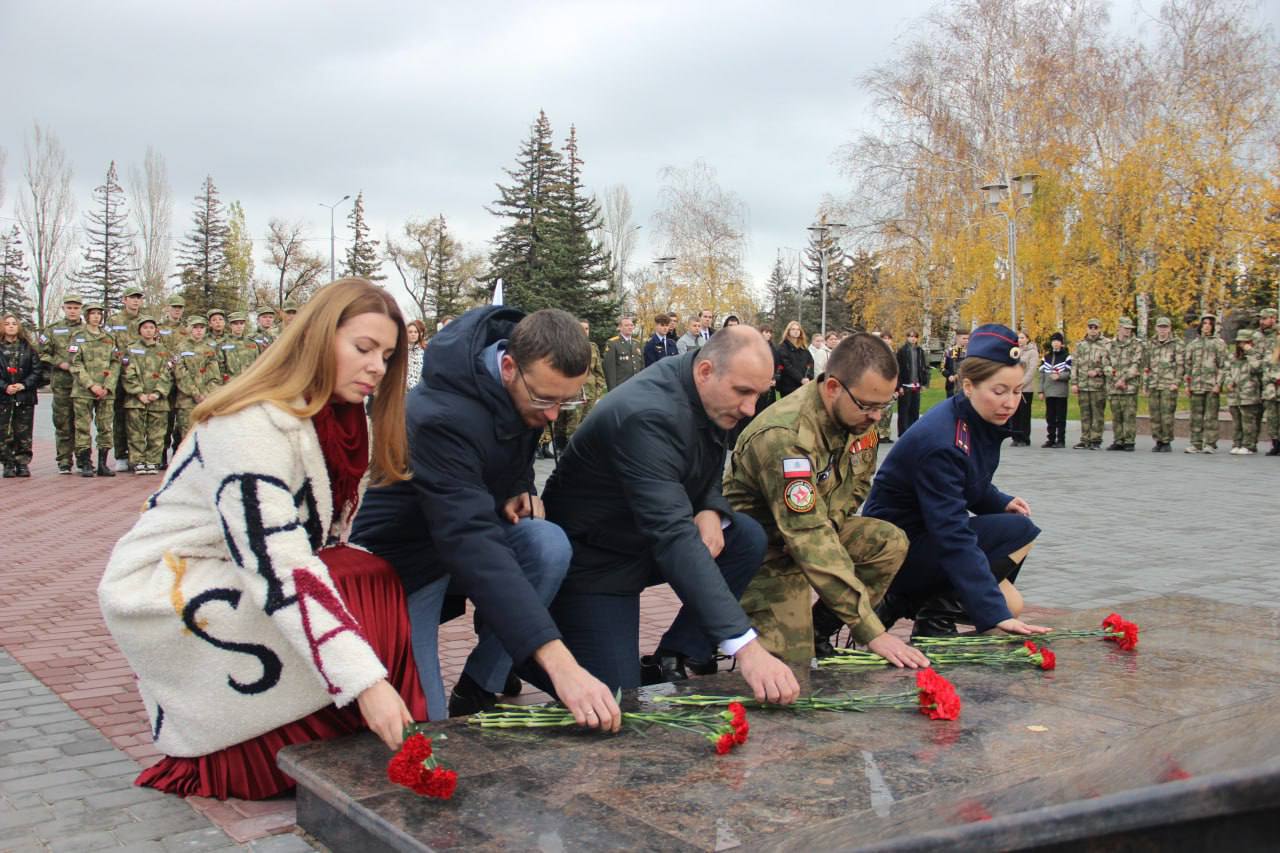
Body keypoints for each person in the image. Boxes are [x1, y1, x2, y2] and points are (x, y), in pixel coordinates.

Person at [99, 278, 427, 800]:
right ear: (317, 338)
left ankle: (350, 726)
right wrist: (367, 682)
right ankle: (252, 748)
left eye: (387, 356)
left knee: (366, 570)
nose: (377, 368)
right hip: (174, 582)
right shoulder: (250, 423)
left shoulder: (343, 419)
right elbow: (278, 562)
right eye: (363, 349)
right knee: (350, 575)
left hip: (239, 565)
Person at [351, 306, 620, 727]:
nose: (553, 415)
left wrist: (521, 486)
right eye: (546, 400)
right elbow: (470, 539)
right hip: (407, 560)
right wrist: (560, 663)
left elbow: (511, 444)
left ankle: (479, 685)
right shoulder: (440, 414)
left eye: (566, 402)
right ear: (508, 367)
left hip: (464, 537)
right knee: (426, 725)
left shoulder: (528, 386)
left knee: (546, 544)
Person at [541, 327, 802, 705]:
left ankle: (676, 655)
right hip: (597, 562)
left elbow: (702, 461)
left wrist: (710, 506)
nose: (750, 408)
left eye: (758, 395)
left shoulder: (709, 392)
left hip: (639, 539)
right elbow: (673, 536)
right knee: (615, 700)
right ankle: (510, 655)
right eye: (743, 392)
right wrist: (747, 649)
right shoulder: (647, 415)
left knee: (743, 536)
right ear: (705, 370)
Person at [724, 333, 928, 669]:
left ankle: (819, 631)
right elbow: (806, 536)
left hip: (811, 533)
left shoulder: (859, 419)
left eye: (884, 405)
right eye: (869, 406)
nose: (877, 417)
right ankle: (711, 638)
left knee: (888, 542)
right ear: (833, 387)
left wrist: (830, 525)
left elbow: (858, 485)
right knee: (792, 675)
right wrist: (871, 630)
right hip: (763, 554)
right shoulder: (785, 437)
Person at [863, 323, 1051, 639]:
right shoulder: (943, 439)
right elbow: (952, 532)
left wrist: (998, 501)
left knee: (1012, 600)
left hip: (922, 539)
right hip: (894, 552)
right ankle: (919, 609)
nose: (1010, 402)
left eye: (1017, 391)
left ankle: (930, 613)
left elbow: (966, 481)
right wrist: (994, 615)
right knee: (1018, 539)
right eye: (999, 391)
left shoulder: (972, 419)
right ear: (968, 386)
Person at [69, 301, 120, 477]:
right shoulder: (78, 336)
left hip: (105, 391)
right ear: (86, 315)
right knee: (83, 427)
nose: (97, 316)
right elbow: (75, 364)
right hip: (84, 390)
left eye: (99, 313)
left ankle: (103, 463)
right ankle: (84, 462)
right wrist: (91, 385)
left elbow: (115, 362)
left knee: (105, 426)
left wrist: (107, 386)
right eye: (93, 313)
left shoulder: (109, 338)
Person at [121, 317, 174, 475]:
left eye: (151, 327)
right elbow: (127, 373)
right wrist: (138, 393)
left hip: (158, 400)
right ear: (139, 331)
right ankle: (137, 461)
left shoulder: (164, 351)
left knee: (156, 434)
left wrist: (157, 393)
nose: (148, 330)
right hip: (136, 400)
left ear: (156, 330)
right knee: (135, 433)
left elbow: (168, 374)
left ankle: (152, 461)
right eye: (145, 328)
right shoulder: (131, 349)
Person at [38, 295, 84, 474]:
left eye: (76, 308)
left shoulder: (88, 330)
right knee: (62, 423)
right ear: (63, 308)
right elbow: (42, 353)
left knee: (81, 424)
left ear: (81, 309)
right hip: (61, 383)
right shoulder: (52, 330)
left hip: (82, 385)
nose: (73, 311)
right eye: (69, 307)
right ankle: (64, 461)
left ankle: (82, 458)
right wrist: (59, 363)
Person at [108, 287, 145, 472]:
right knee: (120, 415)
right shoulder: (114, 320)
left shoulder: (146, 321)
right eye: (132, 298)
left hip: (140, 376)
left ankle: (138, 455)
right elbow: (107, 344)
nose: (135, 301)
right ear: (124, 300)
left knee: (138, 417)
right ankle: (121, 455)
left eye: (138, 298)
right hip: (119, 374)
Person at [0, 313, 41, 478]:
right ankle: (8, 463)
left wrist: (23, 385)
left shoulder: (28, 348)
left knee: (23, 432)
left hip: (25, 397)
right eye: (7, 323)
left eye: (14, 323)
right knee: (4, 432)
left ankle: (22, 463)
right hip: (4, 397)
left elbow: (37, 371)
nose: (11, 326)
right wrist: (5, 387)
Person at [171, 316, 223, 446]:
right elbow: (180, 373)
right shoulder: (180, 348)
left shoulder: (209, 349)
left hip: (206, 399)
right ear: (189, 329)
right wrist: (195, 393)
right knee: (188, 436)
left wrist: (207, 394)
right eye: (195, 327)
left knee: (206, 435)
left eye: (201, 328)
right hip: (186, 400)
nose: (199, 331)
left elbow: (214, 375)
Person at [1184, 314, 1228, 454]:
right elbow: (1188, 366)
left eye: (1209, 324)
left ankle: (1210, 443)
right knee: (1195, 416)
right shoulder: (1193, 344)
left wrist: (1218, 384)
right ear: (1201, 326)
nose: (1207, 326)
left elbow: (1223, 365)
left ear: (1213, 327)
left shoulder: (1219, 343)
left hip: (1211, 385)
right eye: (1204, 323)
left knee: (1211, 416)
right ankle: (1196, 443)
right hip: (1196, 385)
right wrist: (1187, 384)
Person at [1145, 317, 1183, 452]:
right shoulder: (1151, 344)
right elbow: (1147, 366)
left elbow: (1180, 366)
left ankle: (1166, 441)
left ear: (1170, 328)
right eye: (1160, 327)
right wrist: (1146, 385)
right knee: (1155, 415)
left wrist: (1176, 382)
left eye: (1165, 327)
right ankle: (1158, 440)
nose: (1163, 330)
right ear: (1156, 328)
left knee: (1167, 415)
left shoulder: (1177, 344)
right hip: (1154, 384)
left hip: (1168, 384)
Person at [1072, 318, 1110, 450]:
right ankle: (1085, 439)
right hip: (1083, 385)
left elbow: (1110, 366)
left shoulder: (1106, 344)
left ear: (1099, 329)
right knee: (1085, 414)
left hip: (1098, 385)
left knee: (1097, 413)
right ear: (1087, 328)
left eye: (1095, 327)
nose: (1093, 330)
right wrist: (1074, 382)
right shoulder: (1080, 344)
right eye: (1090, 327)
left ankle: (1096, 439)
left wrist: (1098, 372)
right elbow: (1075, 364)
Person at [1105, 317, 1142, 451]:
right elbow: (1106, 364)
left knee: (1129, 414)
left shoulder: (1136, 345)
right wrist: (1115, 378)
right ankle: (1118, 439)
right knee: (1116, 415)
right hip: (1114, 386)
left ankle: (1129, 440)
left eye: (1130, 329)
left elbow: (1136, 364)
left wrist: (1123, 379)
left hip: (1129, 386)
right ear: (1119, 328)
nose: (1128, 331)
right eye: (1125, 328)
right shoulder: (1109, 345)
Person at [1225, 329, 1264, 455]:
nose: (1242, 345)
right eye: (1240, 342)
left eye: (1245, 342)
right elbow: (1227, 371)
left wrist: (1250, 352)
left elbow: (1257, 368)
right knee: (1236, 421)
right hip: (1235, 394)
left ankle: (1249, 445)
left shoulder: (1256, 356)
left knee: (1249, 422)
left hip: (1249, 393)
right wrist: (1228, 381)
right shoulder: (1233, 357)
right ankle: (1237, 443)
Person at [1253, 308, 1279, 455]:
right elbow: (1256, 356)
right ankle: (1275, 444)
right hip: (1267, 381)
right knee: (1271, 415)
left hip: (1278, 379)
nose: (1261, 321)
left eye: (1265, 318)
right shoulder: (1258, 336)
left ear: (1273, 318)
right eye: (1260, 319)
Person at [1038, 332, 1071, 447]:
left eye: (1057, 341)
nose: (1055, 343)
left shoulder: (1066, 356)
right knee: (1050, 416)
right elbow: (1041, 375)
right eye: (1053, 341)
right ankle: (1050, 438)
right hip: (1049, 391)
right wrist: (1041, 390)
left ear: (1061, 343)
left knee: (1061, 417)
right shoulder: (1046, 357)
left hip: (1061, 391)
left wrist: (1060, 376)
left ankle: (1061, 440)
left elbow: (1069, 373)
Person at [896, 330, 929, 435]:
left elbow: (924, 368)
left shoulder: (920, 351)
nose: (913, 338)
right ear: (907, 338)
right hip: (905, 385)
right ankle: (903, 433)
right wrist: (899, 386)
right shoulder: (902, 351)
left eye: (915, 337)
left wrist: (924, 383)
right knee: (904, 410)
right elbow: (898, 370)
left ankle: (913, 432)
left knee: (914, 410)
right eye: (910, 336)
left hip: (916, 385)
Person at [1010, 331, 1039, 446]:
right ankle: (1015, 437)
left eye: (1022, 337)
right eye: (1018, 338)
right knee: (1014, 412)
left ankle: (1024, 437)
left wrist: (1022, 383)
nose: (1020, 340)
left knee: (1024, 413)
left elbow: (1031, 370)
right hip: (1013, 387)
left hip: (1025, 388)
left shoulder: (1032, 352)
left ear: (1027, 339)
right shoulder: (1014, 351)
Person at [602, 316, 644, 390]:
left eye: (631, 325)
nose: (630, 327)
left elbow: (641, 365)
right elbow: (609, 369)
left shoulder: (636, 343)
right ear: (620, 328)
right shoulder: (613, 343)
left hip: (637, 385)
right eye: (627, 325)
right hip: (621, 386)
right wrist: (613, 389)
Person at [777, 321, 814, 397]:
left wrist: (808, 377)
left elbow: (810, 363)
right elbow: (787, 366)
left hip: (804, 385)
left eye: (798, 329)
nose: (796, 331)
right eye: (793, 329)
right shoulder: (783, 347)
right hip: (788, 386)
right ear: (788, 331)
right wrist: (800, 378)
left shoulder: (803, 348)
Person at [220, 312, 260, 381]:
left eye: (241, 323)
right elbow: (220, 367)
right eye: (235, 324)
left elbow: (258, 363)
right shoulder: (223, 344)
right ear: (230, 325)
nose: (239, 326)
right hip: (232, 383)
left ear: (244, 325)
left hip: (251, 380)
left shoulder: (252, 343)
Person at [875, 332, 896, 443]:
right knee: (880, 411)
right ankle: (878, 434)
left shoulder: (893, 352)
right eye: (884, 338)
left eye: (888, 338)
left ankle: (885, 434)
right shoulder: (877, 353)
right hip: (880, 384)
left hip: (890, 384)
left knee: (889, 411)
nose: (886, 340)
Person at [941, 331, 969, 398]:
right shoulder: (950, 351)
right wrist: (949, 375)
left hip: (966, 386)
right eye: (964, 338)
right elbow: (942, 367)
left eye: (968, 338)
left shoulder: (970, 352)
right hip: (952, 386)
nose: (967, 340)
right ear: (957, 338)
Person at [404, 319, 426, 393]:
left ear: (419, 334)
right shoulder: (401, 351)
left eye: (416, 332)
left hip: (419, 392)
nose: (413, 334)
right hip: (403, 391)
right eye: (410, 332)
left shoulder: (424, 351)